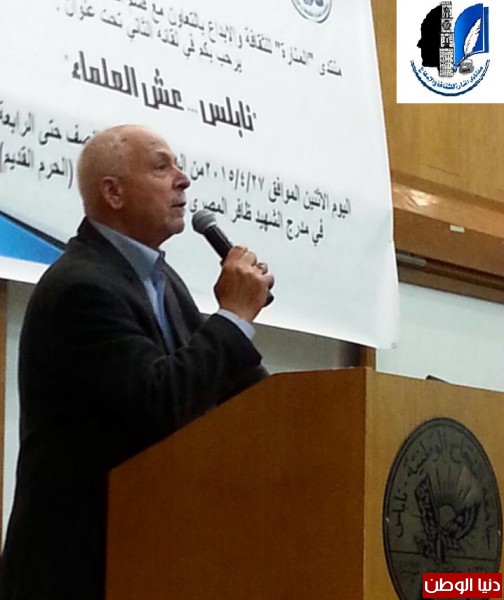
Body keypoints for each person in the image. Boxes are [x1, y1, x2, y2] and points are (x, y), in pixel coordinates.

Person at [0, 124, 274, 599]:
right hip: (76, 572)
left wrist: (298, 412)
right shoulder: (81, 288)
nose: (183, 179)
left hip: (143, 558)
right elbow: (158, 404)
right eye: (162, 167)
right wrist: (232, 316)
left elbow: (233, 391)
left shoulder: (163, 281)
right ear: (113, 192)